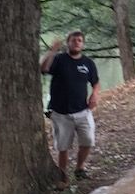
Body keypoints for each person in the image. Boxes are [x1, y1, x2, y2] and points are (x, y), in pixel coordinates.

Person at [40, 30, 100, 183]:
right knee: (63, 147)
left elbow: (95, 82)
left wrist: (94, 94)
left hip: (83, 111)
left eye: (79, 40)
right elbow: (43, 69)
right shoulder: (59, 59)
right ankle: (62, 174)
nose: (76, 43)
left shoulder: (88, 63)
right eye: (73, 40)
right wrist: (52, 50)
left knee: (87, 141)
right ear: (68, 43)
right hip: (61, 113)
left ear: (83, 44)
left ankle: (80, 168)